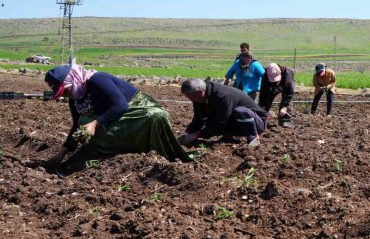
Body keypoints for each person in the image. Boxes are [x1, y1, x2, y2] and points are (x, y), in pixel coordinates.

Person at [44, 64, 190, 167]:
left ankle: (148, 149)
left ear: (72, 79)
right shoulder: (76, 100)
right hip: (117, 116)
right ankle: (110, 151)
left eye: (64, 90)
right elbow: (76, 125)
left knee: (156, 115)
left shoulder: (96, 80)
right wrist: (62, 153)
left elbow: (120, 105)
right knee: (83, 121)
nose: (64, 95)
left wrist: (95, 124)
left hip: (137, 109)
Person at [180, 78, 268, 148]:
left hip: (257, 123)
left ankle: (253, 138)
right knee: (210, 116)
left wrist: (197, 134)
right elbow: (198, 118)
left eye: (190, 97)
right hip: (236, 123)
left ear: (200, 92)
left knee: (240, 111)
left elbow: (221, 123)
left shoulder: (222, 96)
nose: (191, 100)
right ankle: (228, 137)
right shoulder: (200, 97)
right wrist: (187, 134)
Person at [258, 63, 296, 127]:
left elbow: (289, 93)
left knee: (287, 102)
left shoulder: (288, 75)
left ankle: (285, 120)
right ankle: (262, 119)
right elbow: (263, 93)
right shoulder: (266, 74)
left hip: (284, 85)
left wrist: (285, 106)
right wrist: (262, 109)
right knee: (265, 101)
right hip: (271, 86)